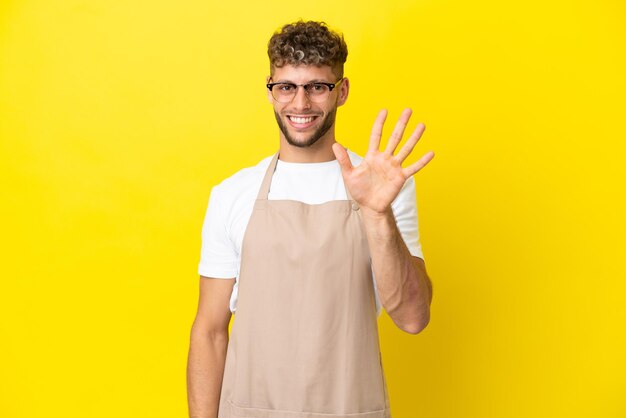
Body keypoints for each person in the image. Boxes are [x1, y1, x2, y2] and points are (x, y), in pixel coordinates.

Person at [187, 20, 434, 418]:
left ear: (342, 91)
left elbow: (412, 317)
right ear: (270, 90)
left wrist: (377, 214)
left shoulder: (384, 189)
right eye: (287, 87)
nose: (300, 104)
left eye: (317, 87)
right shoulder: (232, 194)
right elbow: (210, 332)